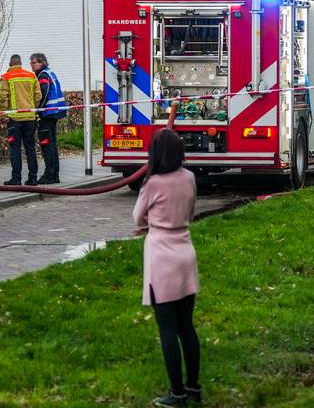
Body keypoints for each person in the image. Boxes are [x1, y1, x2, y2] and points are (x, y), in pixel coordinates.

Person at [133, 115, 202, 408]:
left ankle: (176, 393)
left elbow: (137, 217)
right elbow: (191, 207)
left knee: (168, 329)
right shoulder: (189, 178)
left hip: (161, 254)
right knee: (187, 325)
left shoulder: (152, 184)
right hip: (186, 250)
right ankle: (194, 386)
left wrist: (148, 221)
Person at [0, 54, 43, 186]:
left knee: (15, 149)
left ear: (10, 64)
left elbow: (2, 98)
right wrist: (33, 109)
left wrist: (3, 116)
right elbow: (38, 96)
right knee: (30, 148)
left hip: (14, 119)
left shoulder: (6, 77)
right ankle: (33, 178)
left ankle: (16, 178)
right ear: (21, 63)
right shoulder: (31, 76)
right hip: (30, 118)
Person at [31, 52, 68, 184]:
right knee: (52, 144)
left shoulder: (43, 75)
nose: (31, 65)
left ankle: (49, 174)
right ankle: (55, 175)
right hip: (54, 112)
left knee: (46, 144)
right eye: (31, 62)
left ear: (42, 62)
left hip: (47, 113)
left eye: (34, 62)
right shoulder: (49, 72)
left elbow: (43, 93)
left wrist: (38, 109)